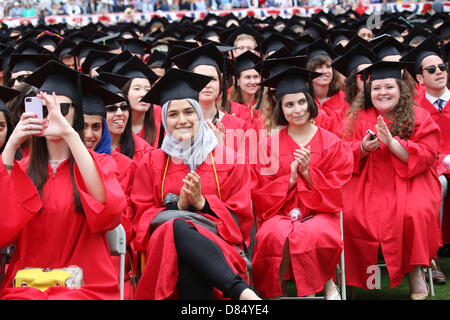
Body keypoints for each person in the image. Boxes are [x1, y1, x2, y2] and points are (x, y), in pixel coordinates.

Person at [0, 60, 126, 299]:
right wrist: (11, 145)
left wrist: (70, 134)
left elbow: (110, 210)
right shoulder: (21, 169)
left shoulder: (100, 164)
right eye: (45, 109)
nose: (54, 115)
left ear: (77, 113)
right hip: (28, 284)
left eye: (63, 109)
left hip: (85, 285)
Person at [131, 68, 259, 300]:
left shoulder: (229, 159)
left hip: (219, 246)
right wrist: (178, 207)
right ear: (164, 120)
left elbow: (241, 221)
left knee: (186, 257)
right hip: (163, 250)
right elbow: (140, 219)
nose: (181, 120)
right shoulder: (151, 162)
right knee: (176, 226)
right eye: (173, 114)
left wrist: (202, 204)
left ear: (199, 114)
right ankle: (240, 292)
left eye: (189, 112)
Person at [339, 61, 442, 300]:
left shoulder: (420, 116)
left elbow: (426, 156)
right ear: (368, 92)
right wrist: (363, 147)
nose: (382, 92)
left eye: (389, 87)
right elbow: (340, 151)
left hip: (409, 182)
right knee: (351, 214)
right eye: (376, 88)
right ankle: (353, 281)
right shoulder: (356, 117)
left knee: (412, 213)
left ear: (400, 89)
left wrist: (392, 143)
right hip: (364, 182)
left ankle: (415, 273)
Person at [250, 66, 353, 299]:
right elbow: (259, 190)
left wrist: (308, 174)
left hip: (320, 212)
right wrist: (291, 179)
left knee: (316, 233)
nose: (297, 110)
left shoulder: (331, 143)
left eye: (301, 103)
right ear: (281, 108)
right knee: (272, 235)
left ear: (310, 103)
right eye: (289, 105)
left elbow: (339, 186)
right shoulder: (269, 145)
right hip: (280, 212)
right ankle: (274, 290)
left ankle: (326, 284)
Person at [402, 39, 450, 285]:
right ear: (419, 79)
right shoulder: (412, 107)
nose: (439, 72)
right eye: (431, 70)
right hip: (432, 167)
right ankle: (431, 259)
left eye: (442, 67)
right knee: (438, 184)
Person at [114, 56, 161, 149]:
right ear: (125, 94)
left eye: (147, 90)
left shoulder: (160, 130)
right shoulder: (115, 128)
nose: (143, 94)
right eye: (137, 89)